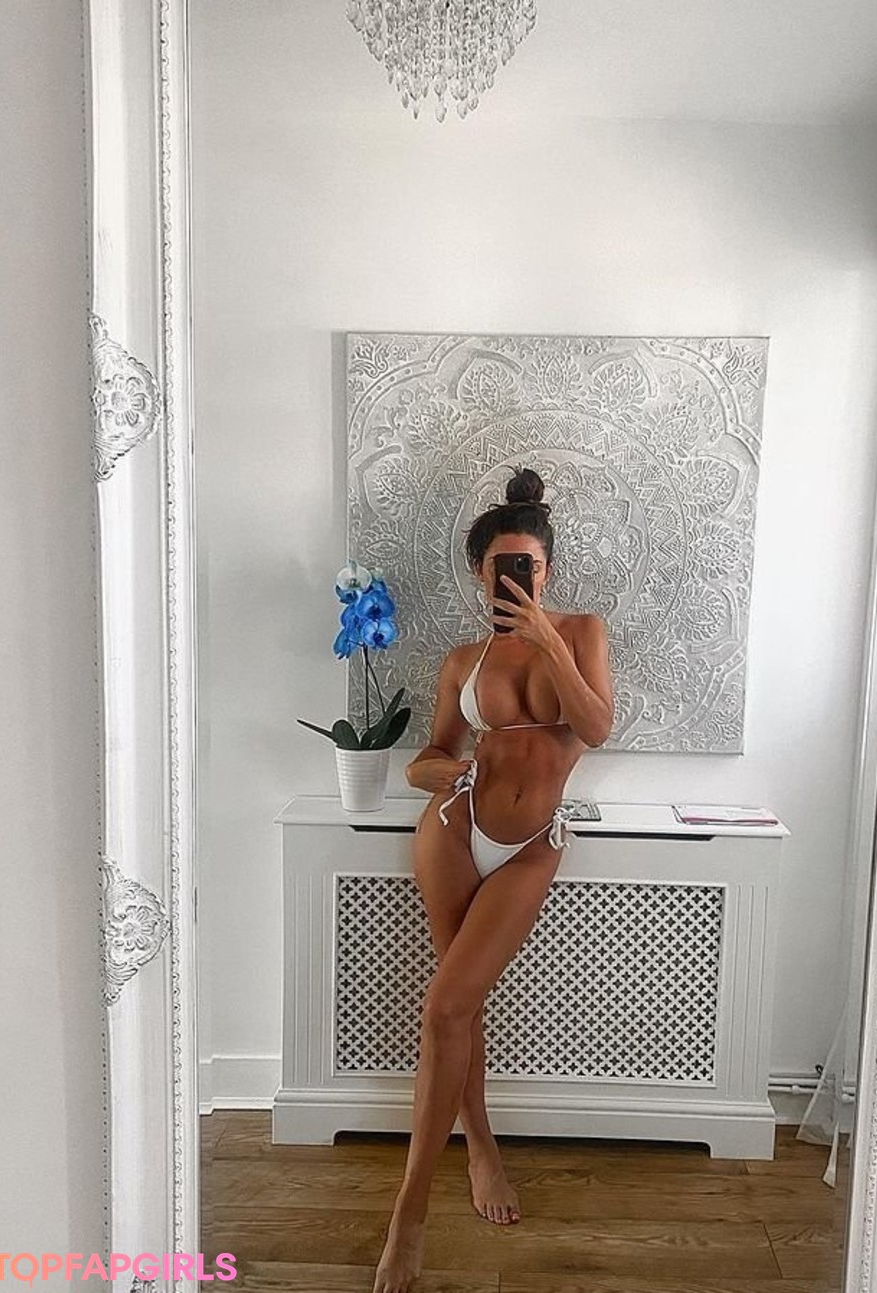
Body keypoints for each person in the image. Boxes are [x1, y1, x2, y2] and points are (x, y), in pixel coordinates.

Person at [371, 466, 615, 1293]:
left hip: (532, 844)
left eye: (530, 566)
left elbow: (596, 726)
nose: (517, 578)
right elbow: (429, 756)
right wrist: (438, 772)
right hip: (453, 830)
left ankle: (438, 1184)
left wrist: (545, 639)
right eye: (502, 567)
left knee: (447, 1005)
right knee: (455, 1007)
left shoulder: (581, 632)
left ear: (546, 569)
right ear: (480, 572)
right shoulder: (461, 660)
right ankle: (436, 1188)